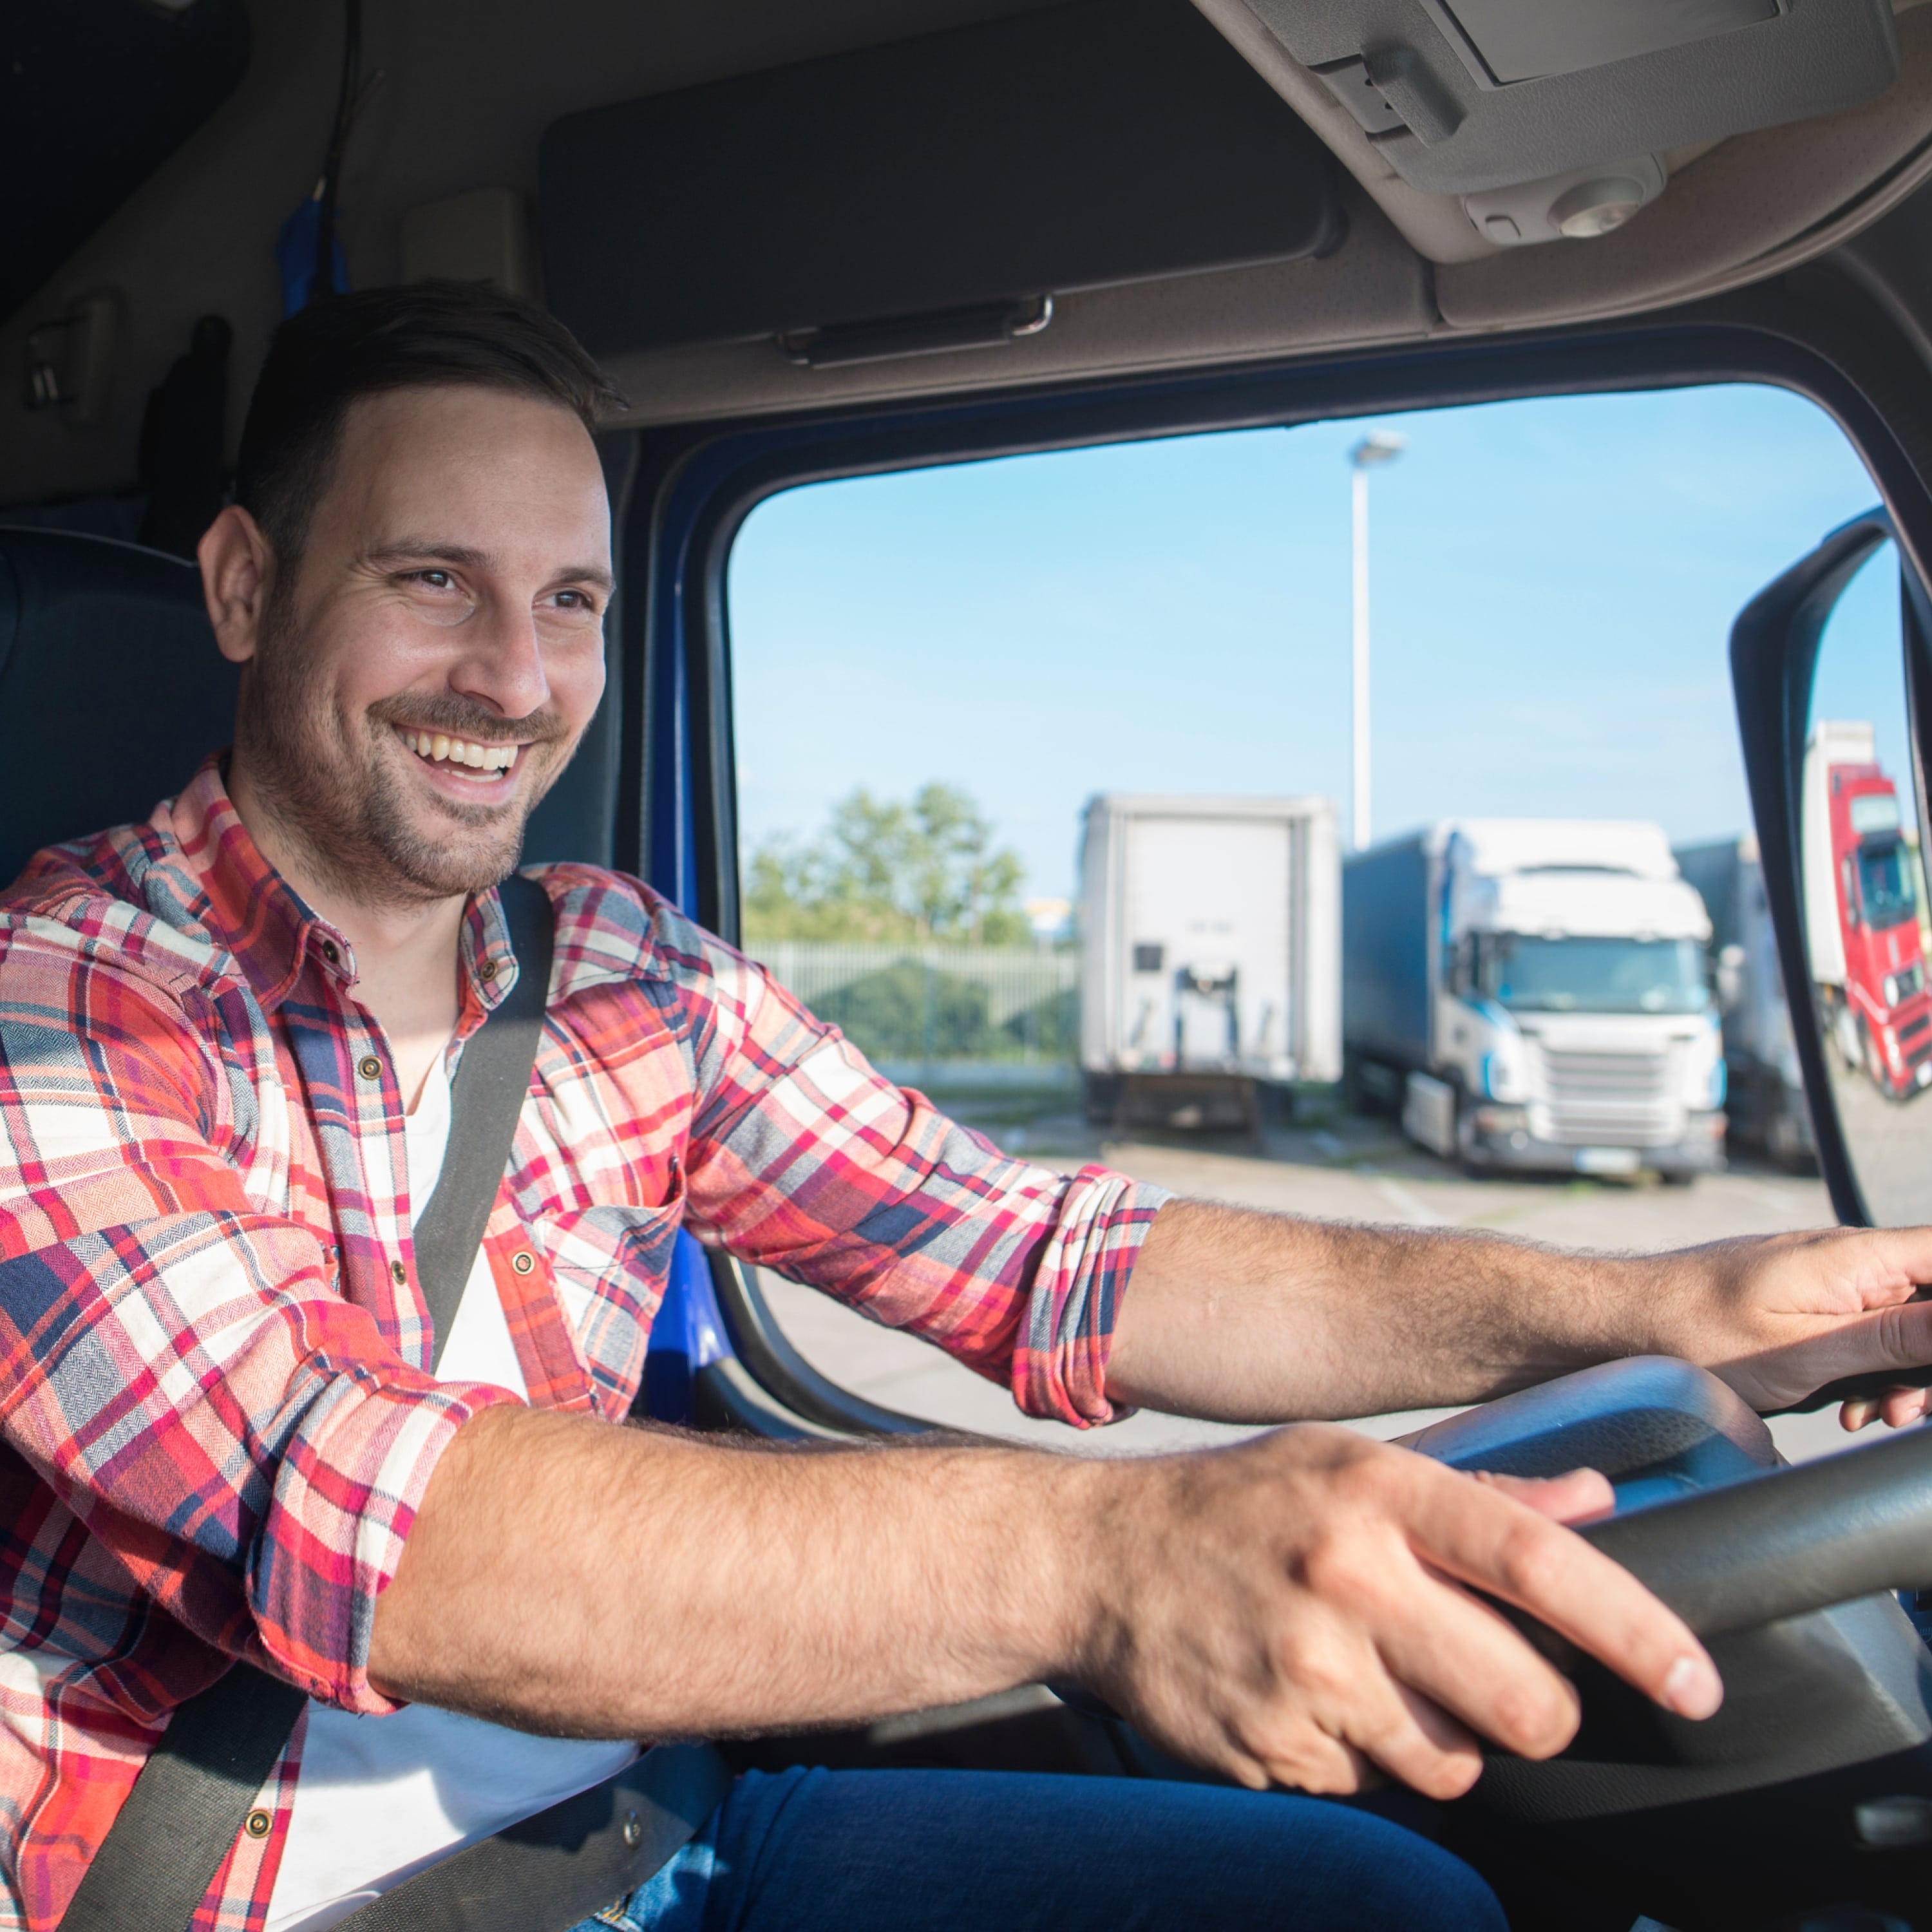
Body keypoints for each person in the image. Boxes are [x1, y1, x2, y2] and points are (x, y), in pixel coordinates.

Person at [1, 284, 1928, 1932]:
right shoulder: (60, 1003)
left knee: (1392, 1908)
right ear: (246, 586)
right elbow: (362, 1514)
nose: (516, 678)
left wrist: (1669, 1306)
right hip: (259, 1904)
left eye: (571, 599)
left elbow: (1047, 1261)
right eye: (436, 581)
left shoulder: (622, 977)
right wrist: (1112, 1562)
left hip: (659, 1835)